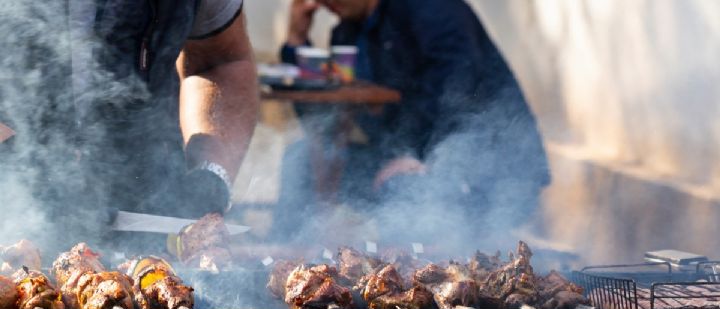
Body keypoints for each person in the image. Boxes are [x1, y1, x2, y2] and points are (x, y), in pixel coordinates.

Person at [272, 0, 550, 247]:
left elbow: (458, 85)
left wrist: (414, 151)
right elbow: (322, 112)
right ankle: (282, 266)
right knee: (302, 158)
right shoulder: (346, 33)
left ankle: (414, 278)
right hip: (396, 158)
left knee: (403, 189)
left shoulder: (431, 7)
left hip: (481, 171)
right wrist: (297, 41)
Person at [0, 1, 257, 252]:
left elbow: (221, 62)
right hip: (13, 219)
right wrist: (22, 171)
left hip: (148, 221)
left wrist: (211, 175)